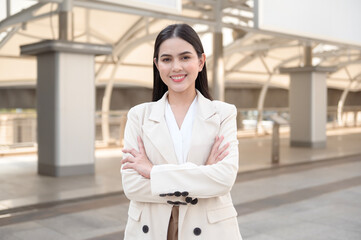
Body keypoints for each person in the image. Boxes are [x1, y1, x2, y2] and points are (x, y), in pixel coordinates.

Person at [120, 23, 242, 240]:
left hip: (208, 229)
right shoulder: (138, 116)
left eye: (185, 57)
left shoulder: (223, 113)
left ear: (201, 61)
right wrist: (203, 174)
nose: (176, 67)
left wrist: (153, 172)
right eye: (167, 59)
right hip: (152, 228)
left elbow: (224, 179)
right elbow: (132, 186)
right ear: (157, 65)